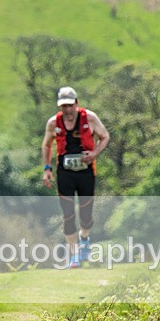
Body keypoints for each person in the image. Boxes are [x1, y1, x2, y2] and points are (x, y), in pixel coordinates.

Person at [41, 86, 110, 268]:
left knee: (86, 216)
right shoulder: (53, 123)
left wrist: (94, 153)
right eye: (64, 106)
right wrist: (47, 168)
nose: (68, 110)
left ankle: (84, 238)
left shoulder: (90, 118)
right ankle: (74, 256)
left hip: (86, 171)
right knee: (68, 214)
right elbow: (47, 145)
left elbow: (105, 137)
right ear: (60, 107)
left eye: (70, 105)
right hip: (65, 173)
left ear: (77, 103)